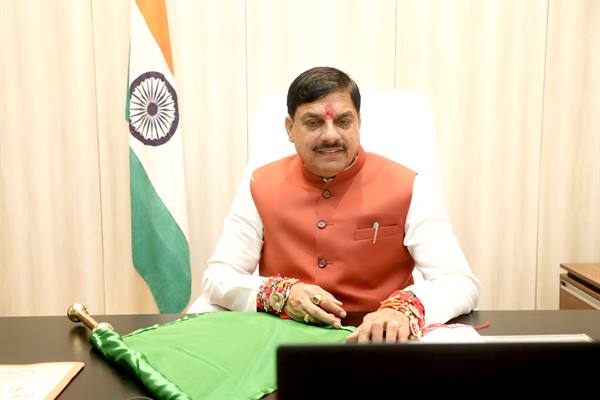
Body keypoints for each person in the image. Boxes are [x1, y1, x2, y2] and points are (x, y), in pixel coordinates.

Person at [201, 66, 479, 343]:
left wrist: (403, 309)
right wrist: (282, 294)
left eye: (343, 121)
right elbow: (218, 277)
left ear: (358, 122)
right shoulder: (260, 185)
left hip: (380, 344)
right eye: (313, 123)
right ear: (290, 129)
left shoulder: (408, 186)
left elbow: (459, 281)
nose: (330, 135)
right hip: (283, 344)